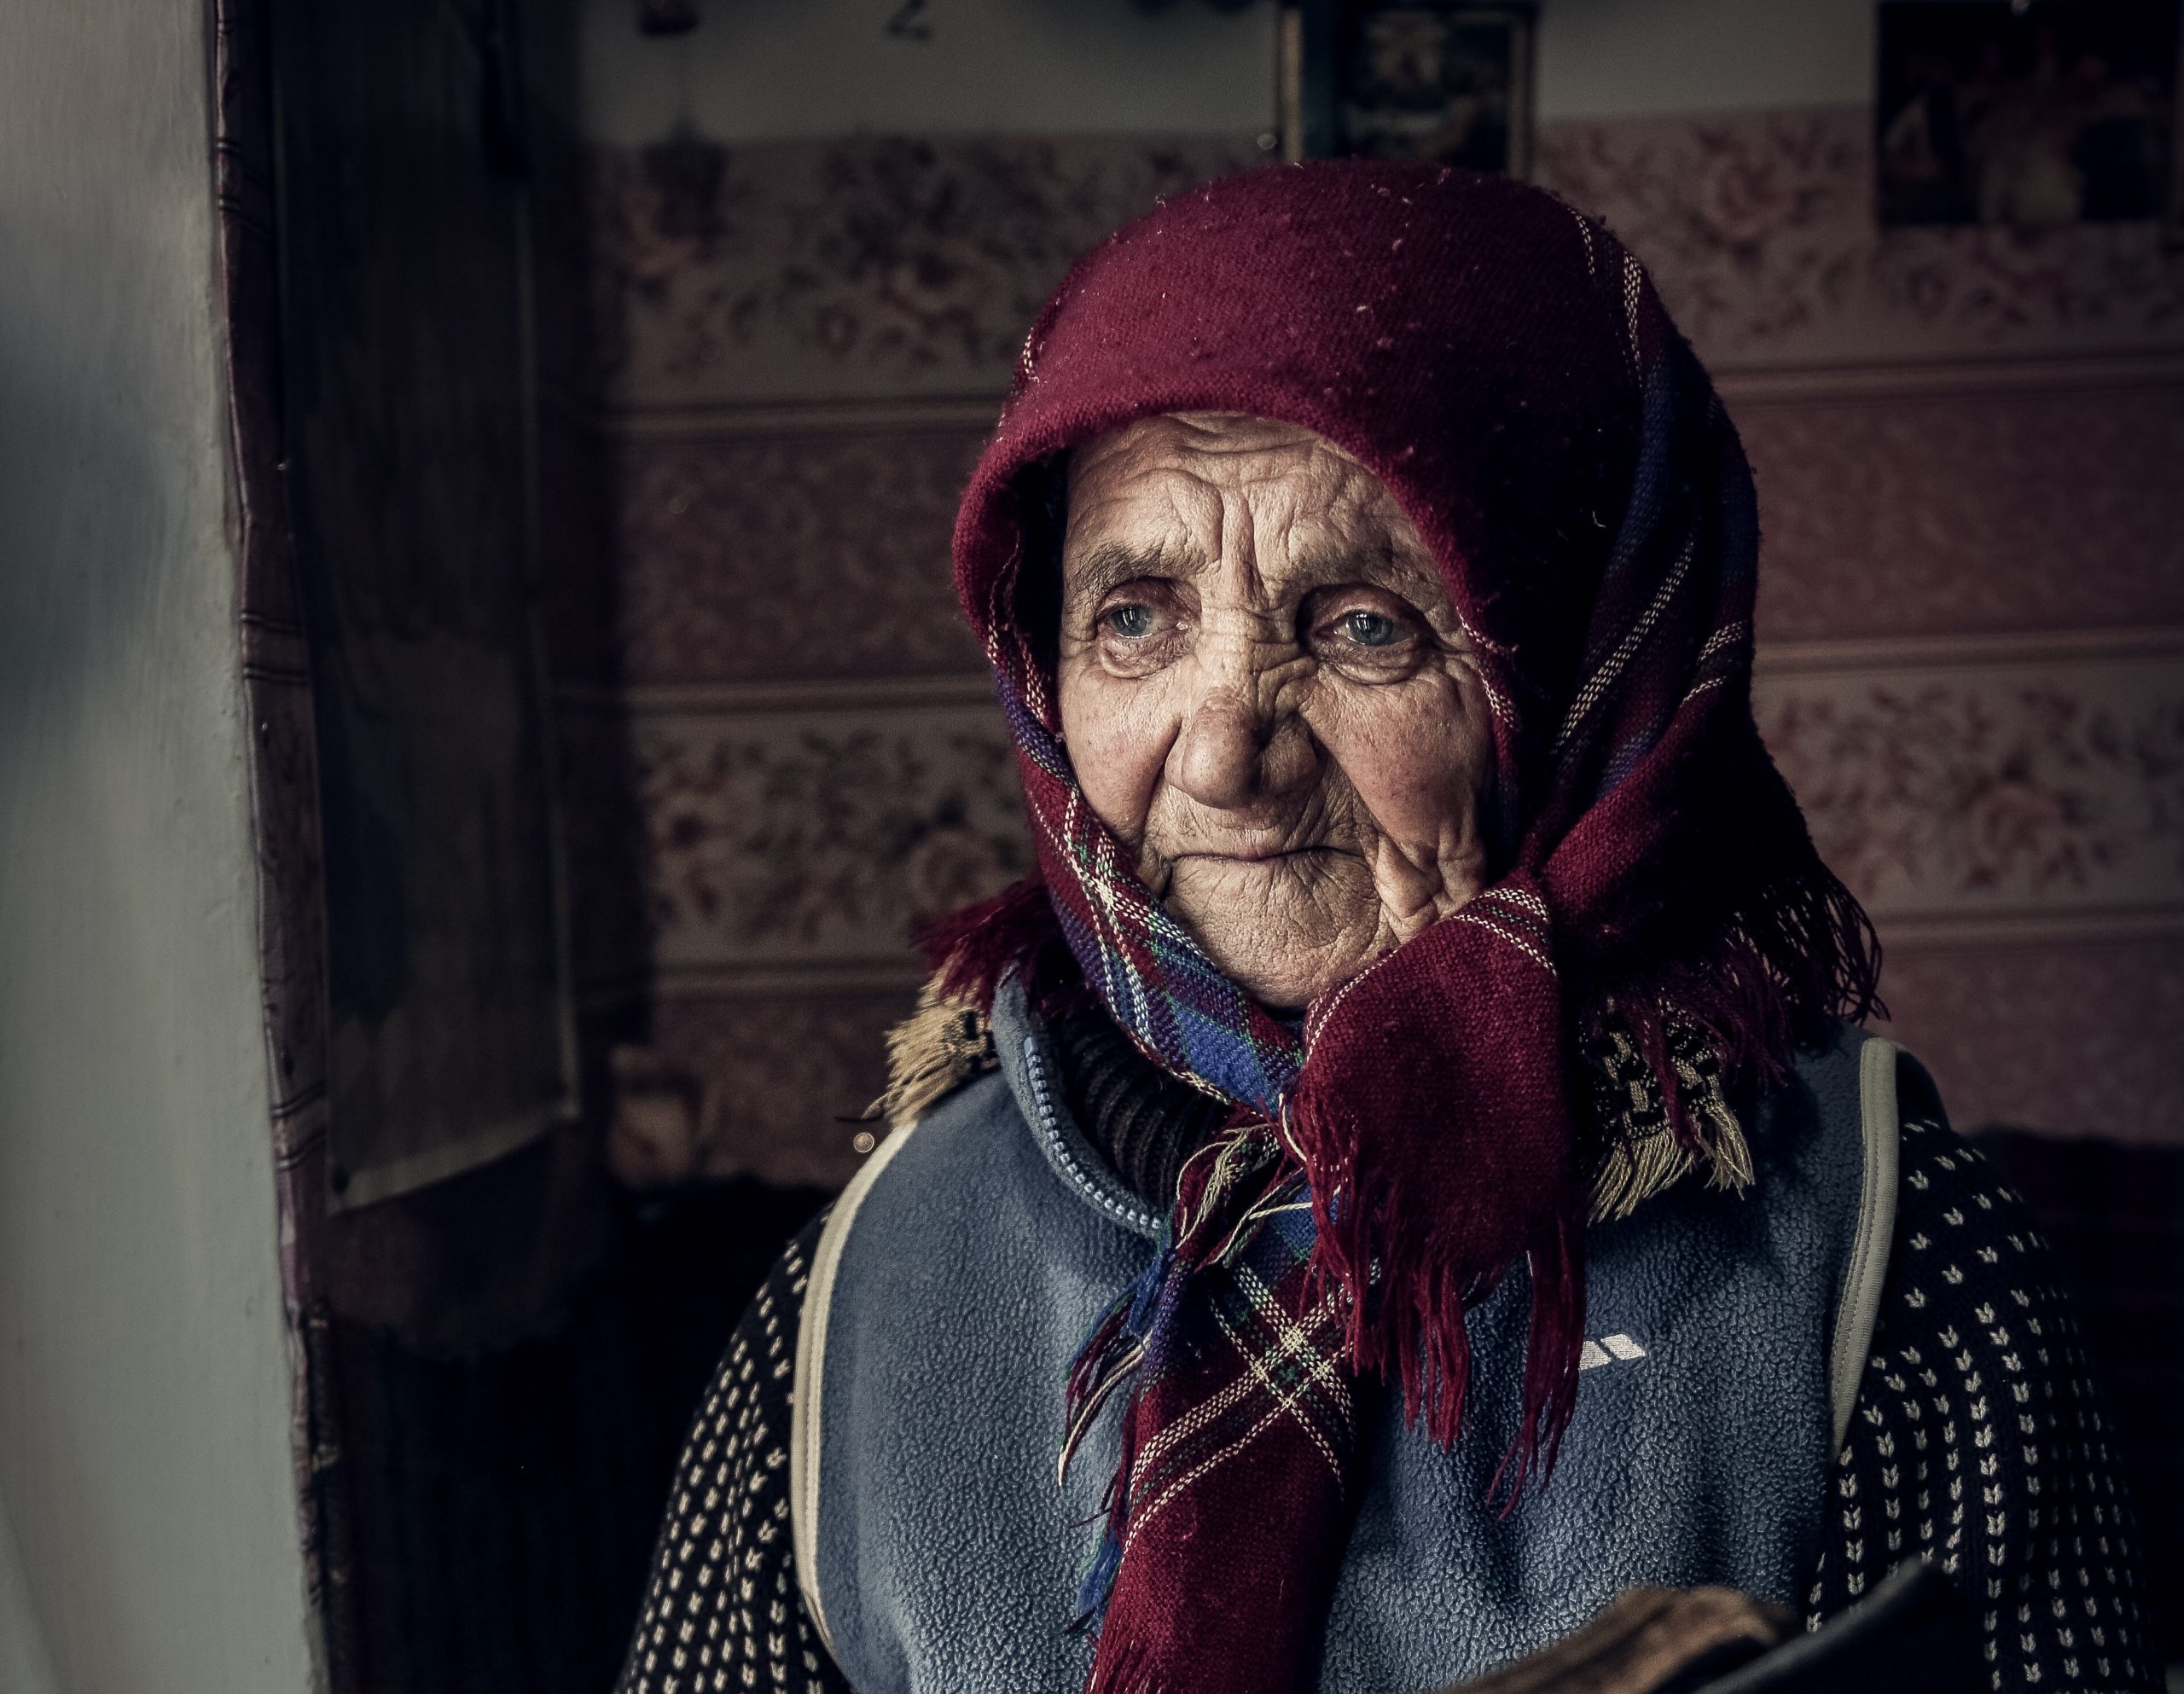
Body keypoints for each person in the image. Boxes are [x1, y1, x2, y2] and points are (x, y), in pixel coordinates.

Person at [614, 164, 2159, 1694]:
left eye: (1363, 624)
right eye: (1136, 616)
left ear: (1581, 665)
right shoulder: (875, 1273)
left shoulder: (1869, 1239)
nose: (1224, 752)